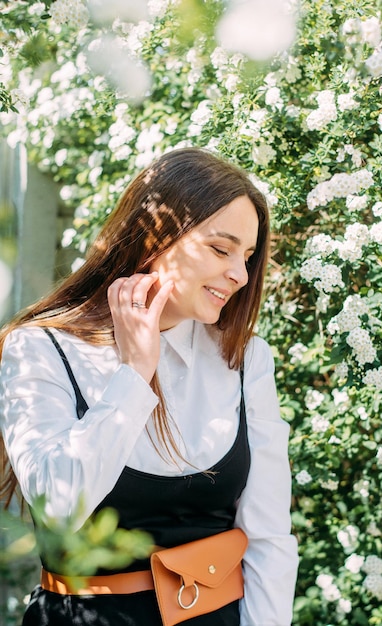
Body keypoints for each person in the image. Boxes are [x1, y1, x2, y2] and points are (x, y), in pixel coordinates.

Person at [0, 147, 298, 626]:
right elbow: (58, 508)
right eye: (221, 250)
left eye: (247, 257)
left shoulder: (244, 359)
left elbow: (268, 538)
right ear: (151, 238)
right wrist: (135, 373)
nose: (240, 276)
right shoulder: (39, 348)